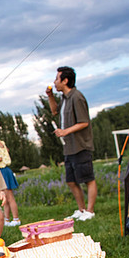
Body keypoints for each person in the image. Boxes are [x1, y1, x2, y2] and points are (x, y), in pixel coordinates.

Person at [46, 66, 97, 221]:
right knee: (71, 181)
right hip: (69, 147)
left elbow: (84, 122)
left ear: (65, 80)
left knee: (88, 179)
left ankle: (90, 211)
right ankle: (81, 210)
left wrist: (65, 131)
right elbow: (55, 111)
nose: (54, 82)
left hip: (81, 145)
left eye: (57, 79)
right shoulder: (65, 98)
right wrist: (50, 96)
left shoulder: (77, 97)